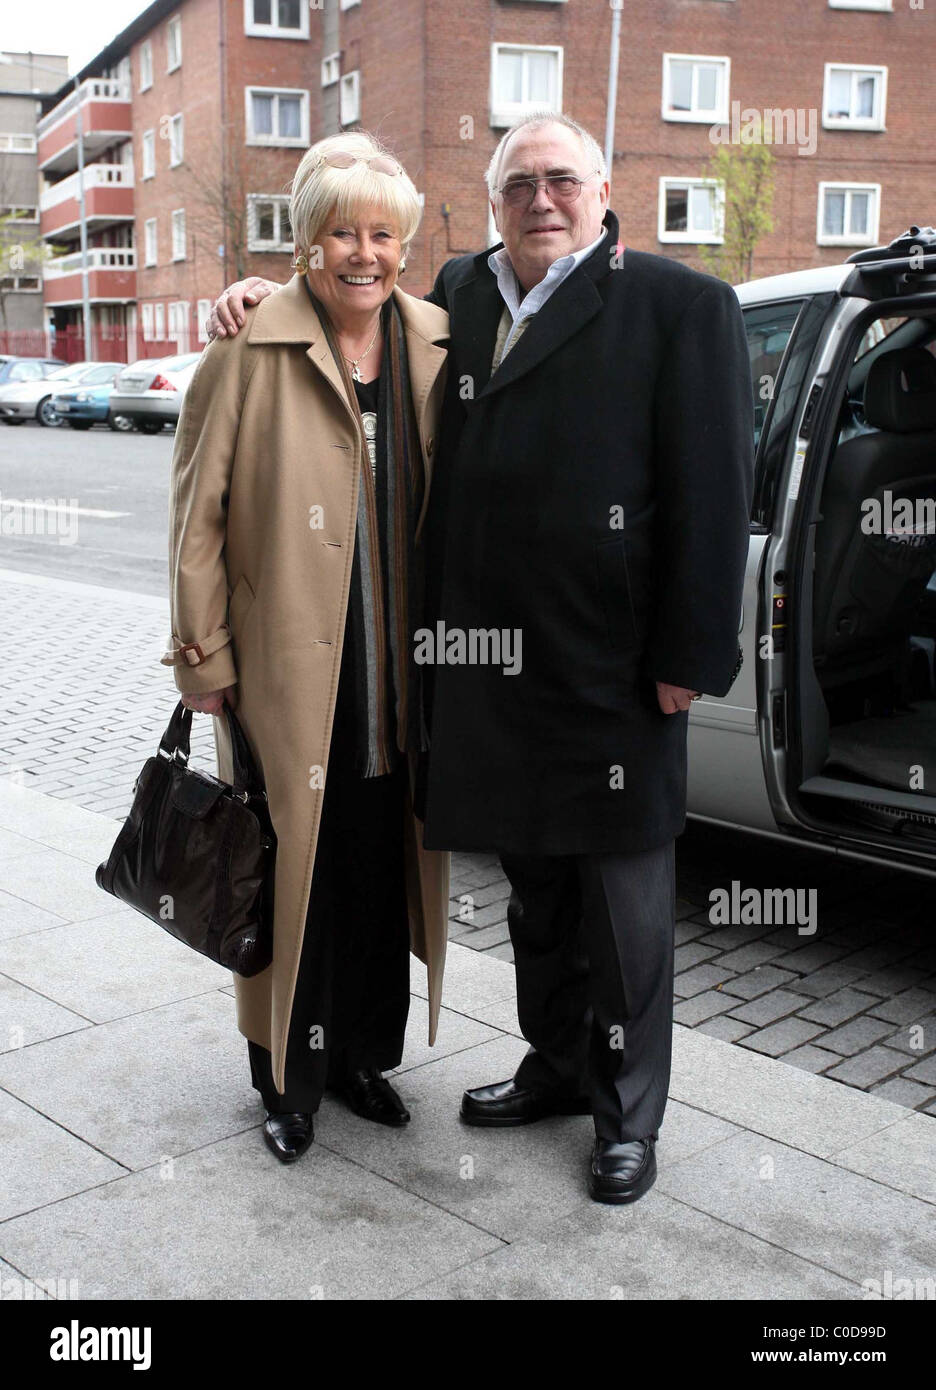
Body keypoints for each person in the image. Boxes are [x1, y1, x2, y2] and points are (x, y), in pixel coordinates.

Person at [206, 111, 754, 1203]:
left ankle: (626, 1113)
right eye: (518, 185)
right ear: (493, 199)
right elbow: (344, 297)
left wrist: (691, 652)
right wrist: (257, 291)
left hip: (616, 675)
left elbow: (713, 495)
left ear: (606, 193)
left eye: (562, 181)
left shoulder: (681, 306)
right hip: (489, 669)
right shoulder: (456, 291)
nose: (540, 200)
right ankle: (554, 1065)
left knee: (625, 911)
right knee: (536, 893)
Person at [163, 130, 451, 1164]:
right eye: (341, 233)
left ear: (405, 243)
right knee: (291, 874)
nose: (363, 253)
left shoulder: (437, 342)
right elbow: (197, 511)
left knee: (380, 866)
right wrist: (203, 657)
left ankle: (364, 1055)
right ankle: (286, 1077)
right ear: (308, 241)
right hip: (288, 672)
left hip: (398, 672)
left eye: (382, 233)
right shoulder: (251, 343)